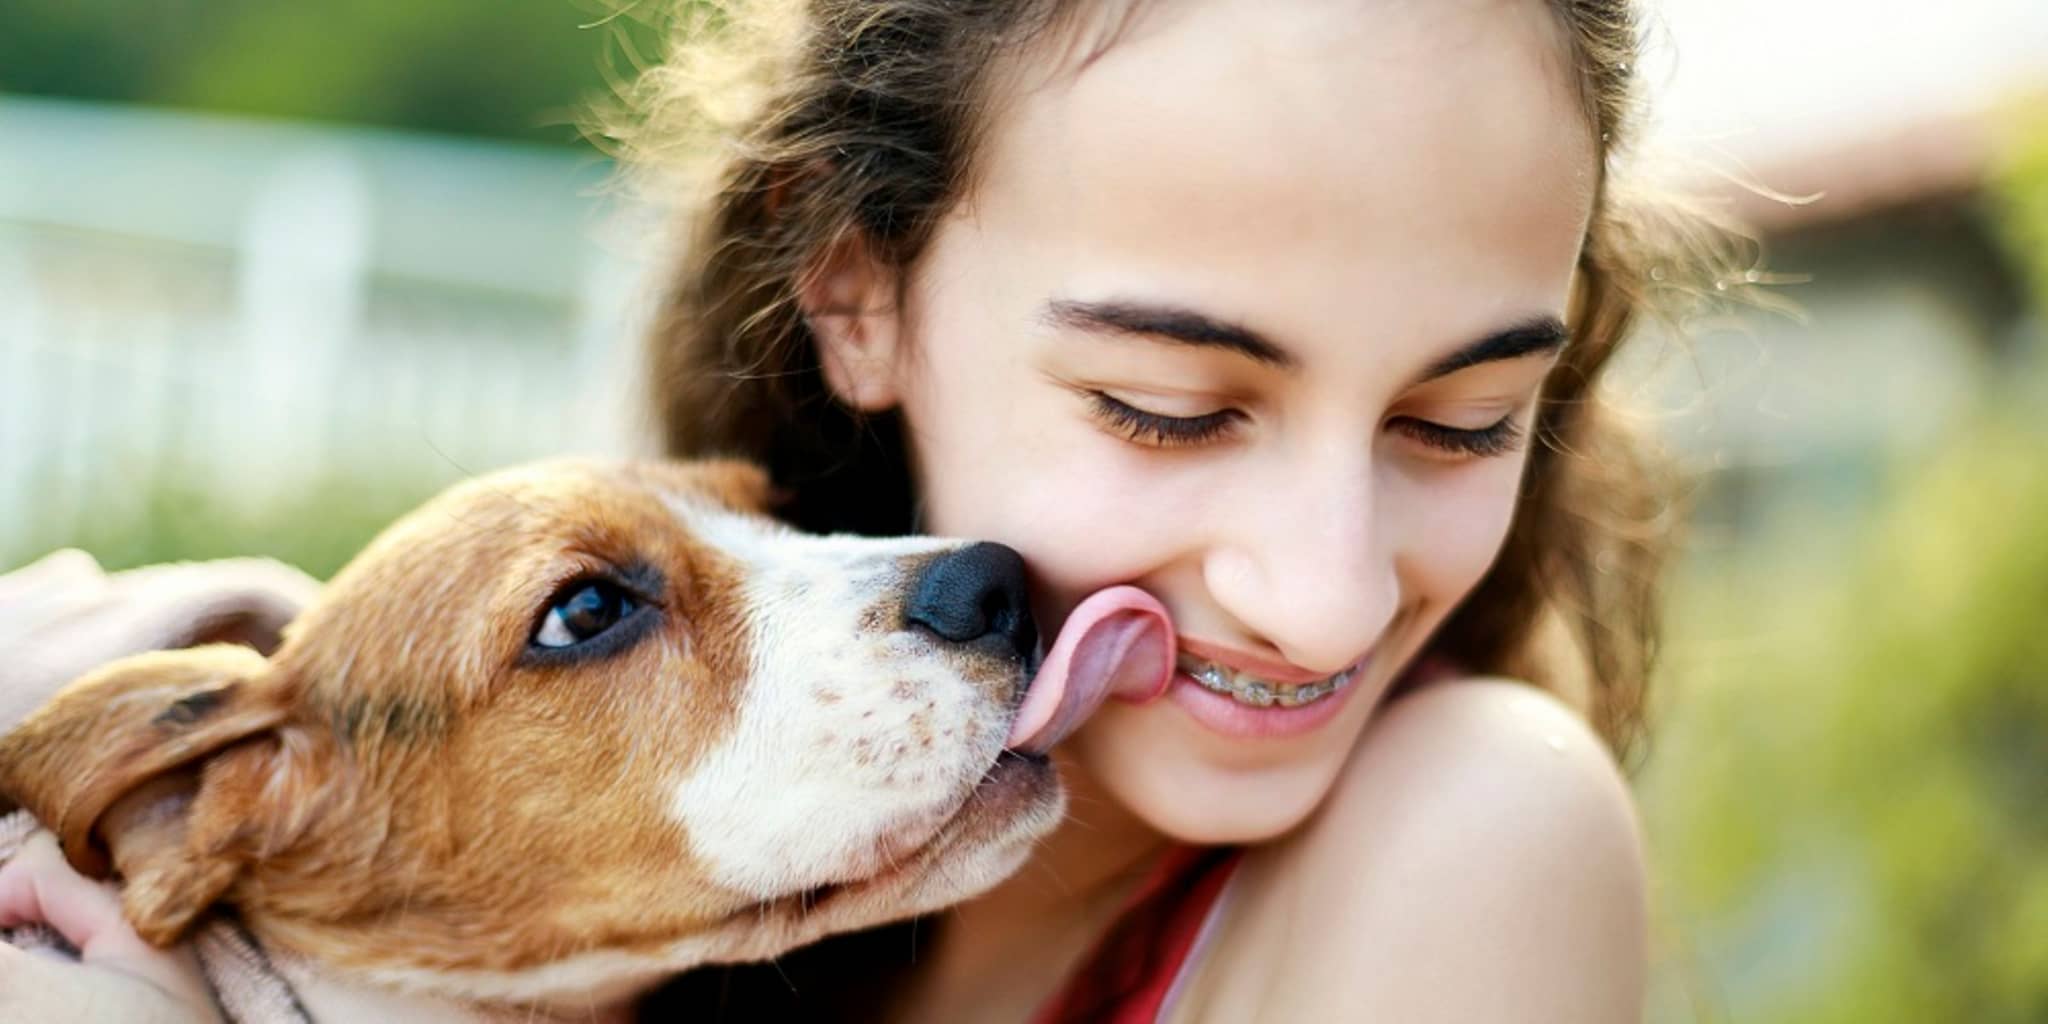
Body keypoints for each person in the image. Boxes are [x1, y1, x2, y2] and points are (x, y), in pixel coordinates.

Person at [1, 0, 1749, 1019]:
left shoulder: (1477, 829)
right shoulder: (686, 900)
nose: (1328, 601)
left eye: (1463, 421)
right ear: (856, 293)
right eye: (1168, 407)